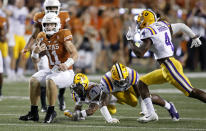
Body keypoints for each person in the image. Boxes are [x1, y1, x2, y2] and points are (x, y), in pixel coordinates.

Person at [126, 9, 206, 123]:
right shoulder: (163, 25)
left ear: (146, 21)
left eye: (141, 21)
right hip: (168, 65)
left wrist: (130, 40)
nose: (139, 24)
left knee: (191, 91)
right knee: (142, 83)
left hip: (169, 66)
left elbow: (140, 53)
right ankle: (151, 114)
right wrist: (194, 37)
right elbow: (182, 26)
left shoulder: (148, 31)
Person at [19, 12, 78, 123]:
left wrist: (67, 64)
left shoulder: (63, 34)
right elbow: (35, 60)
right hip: (53, 70)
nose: (48, 27)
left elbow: (75, 53)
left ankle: (51, 111)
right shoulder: (41, 36)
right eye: (46, 24)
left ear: (57, 24)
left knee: (50, 80)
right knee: (33, 80)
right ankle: (34, 112)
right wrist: (35, 53)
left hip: (67, 72)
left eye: (51, 24)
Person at [22, 0, 71, 112]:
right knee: (42, 75)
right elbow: (35, 35)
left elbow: (68, 31)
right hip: (45, 45)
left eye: (54, 7)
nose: (52, 9)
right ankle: (43, 105)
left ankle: (61, 96)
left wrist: (69, 45)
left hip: (60, 46)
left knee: (60, 74)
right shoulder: (40, 17)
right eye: (49, 7)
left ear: (58, 7)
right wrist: (29, 48)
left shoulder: (64, 16)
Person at [100, 63, 179, 121]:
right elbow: (102, 102)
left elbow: (141, 95)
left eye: (124, 79)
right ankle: (112, 99)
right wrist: (109, 119)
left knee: (146, 97)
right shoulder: (106, 81)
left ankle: (169, 106)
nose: (123, 83)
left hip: (129, 86)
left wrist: (145, 111)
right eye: (120, 81)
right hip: (116, 91)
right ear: (113, 79)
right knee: (131, 103)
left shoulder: (132, 75)